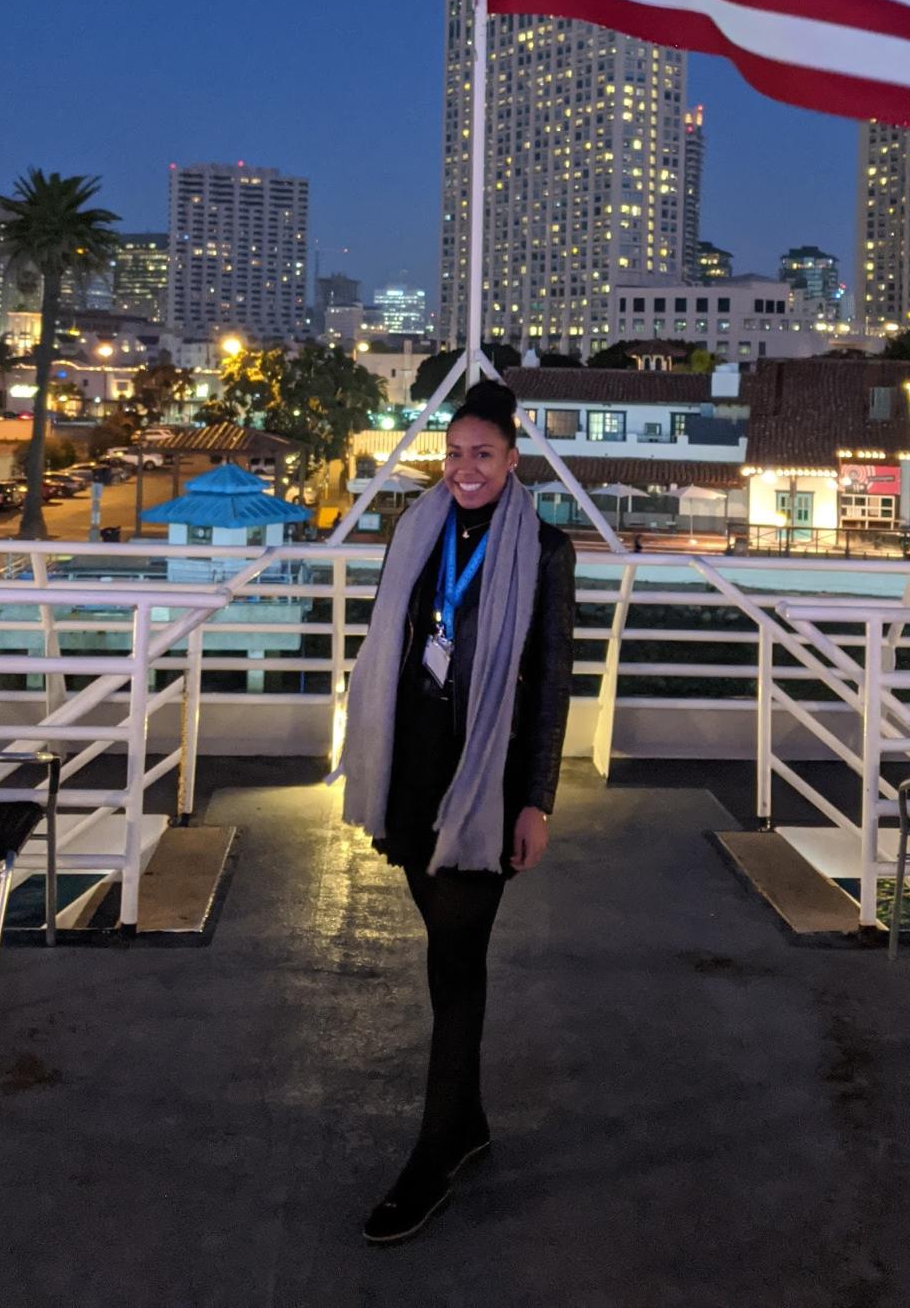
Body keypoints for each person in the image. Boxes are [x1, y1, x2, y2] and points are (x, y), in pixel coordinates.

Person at [335, 379, 575, 1246]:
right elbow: (391, 643)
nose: (465, 468)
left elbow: (551, 683)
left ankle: (432, 1157)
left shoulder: (545, 548)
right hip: (412, 765)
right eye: (455, 453)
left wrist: (537, 800)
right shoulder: (416, 527)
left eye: (483, 454)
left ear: (512, 459)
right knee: (444, 951)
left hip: (486, 779)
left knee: (459, 958)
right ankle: (466, 1120)